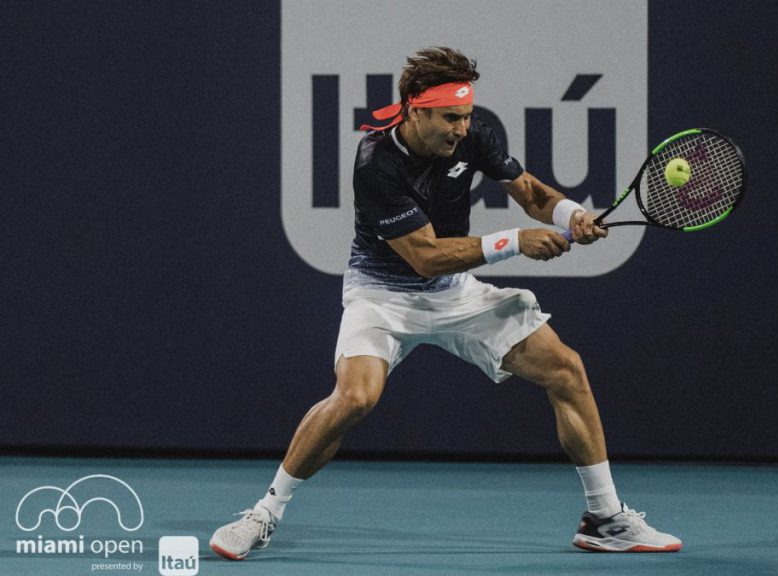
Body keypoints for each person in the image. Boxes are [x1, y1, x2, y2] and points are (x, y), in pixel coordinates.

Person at [209, 46, 681, 558]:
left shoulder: (473, 135)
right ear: (416, 110)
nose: (462, 128)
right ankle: (265, 512)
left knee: (566, 369)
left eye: (466, 116)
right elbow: (425, 257)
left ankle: (605, 519)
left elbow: (527, 190)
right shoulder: (376, 163)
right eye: (450, 118)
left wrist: (569, 216)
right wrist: (514, 242)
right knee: (356, 397)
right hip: (383, 293)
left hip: (456, 295)